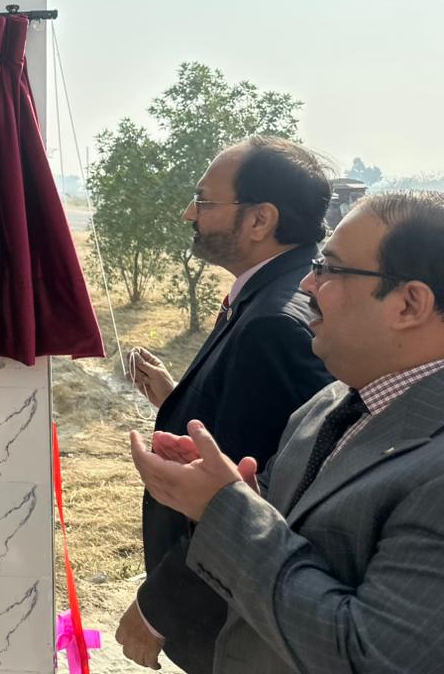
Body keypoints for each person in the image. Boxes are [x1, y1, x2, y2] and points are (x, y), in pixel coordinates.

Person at [132, 191, 444, 673]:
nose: (306, 283)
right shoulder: (332, 400)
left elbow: (369, 657)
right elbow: (290, 526)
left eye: (331, 269)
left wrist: (226, 510)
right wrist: (236, 492)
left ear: (409, 304)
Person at [116, 136, 334, 672]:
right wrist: (179, 399)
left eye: (205, 201)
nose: (189, 212)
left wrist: (159, 607)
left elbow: (261, 494)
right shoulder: (265, 294)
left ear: (260, 219)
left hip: (234, 623)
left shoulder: (274, 325)